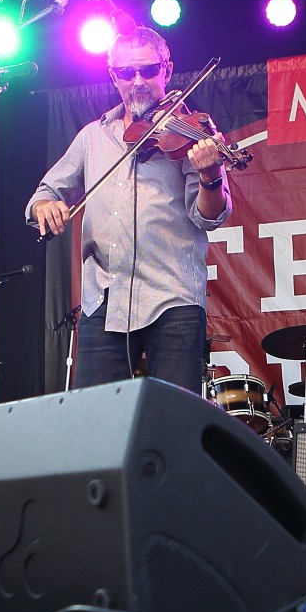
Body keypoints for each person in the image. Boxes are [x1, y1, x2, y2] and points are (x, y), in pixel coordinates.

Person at [28, 26, 231, 391]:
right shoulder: (94, 135)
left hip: (173, 297)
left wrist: (211, 173)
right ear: (114, 77)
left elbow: (209, 215)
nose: (138, 81)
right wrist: (44, 206)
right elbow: (46, 190)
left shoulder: (188, 131)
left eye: (149, 70)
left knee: (173, 419)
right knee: (96, 421)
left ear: (166, 71)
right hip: (105, 297)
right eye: (126, 73)